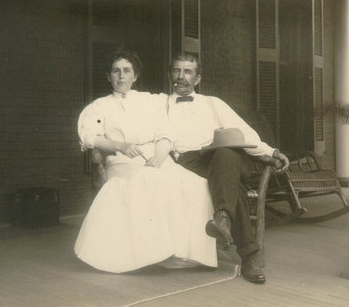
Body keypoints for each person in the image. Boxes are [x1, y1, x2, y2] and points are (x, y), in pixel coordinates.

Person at [74, 49, 217, 273]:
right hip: (121, 160)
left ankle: (188, 254)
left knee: (194, 183)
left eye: (126, 71)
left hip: (155, 157)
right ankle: (156, 253)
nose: (121, 76)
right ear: (108, 76)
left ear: (135, 76)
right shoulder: (100, 107)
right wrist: (121, 146)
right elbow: (90, 137)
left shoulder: (149, 102)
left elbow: (165, 134)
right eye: (116, 71)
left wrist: (158, 159)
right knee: (148, 179)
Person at [166, 54, 290, 284]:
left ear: (198, 78)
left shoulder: (213, 103)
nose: (181, 76)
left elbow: (244, 133)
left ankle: (223, 219)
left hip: (219, 158)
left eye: (188, 71)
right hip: (185, 162)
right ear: (170, 75)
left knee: (226, 152)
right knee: (235, 189)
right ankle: (249, 257)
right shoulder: (159, 105)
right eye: (176, 71)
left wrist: (270, 153)